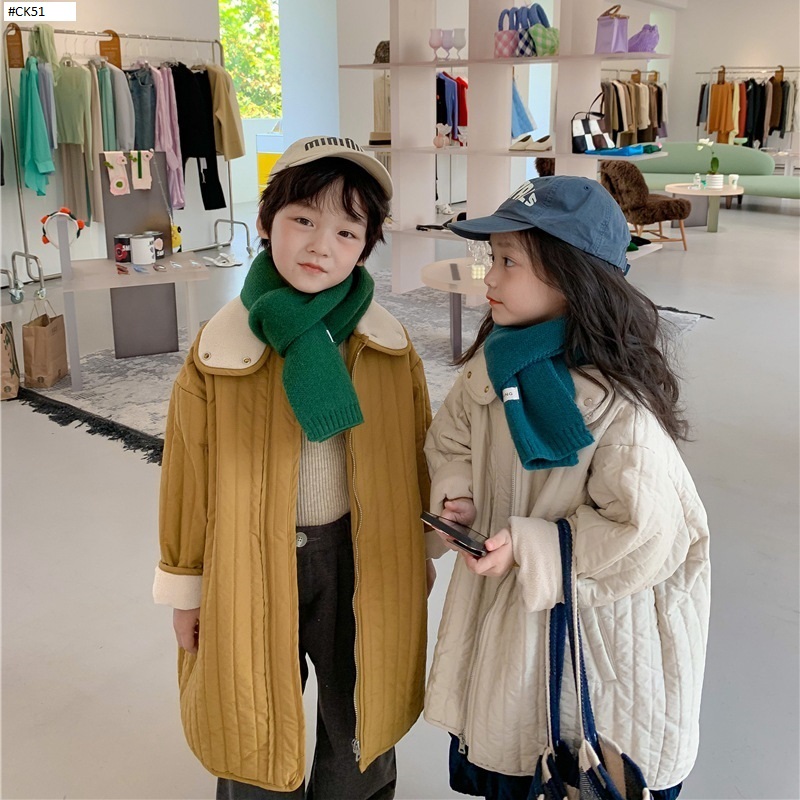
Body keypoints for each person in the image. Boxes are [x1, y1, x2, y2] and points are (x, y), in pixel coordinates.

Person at [154, 136, 435, 799]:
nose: (320, 245)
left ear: (365, 247)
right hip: (246, 557)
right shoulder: (219, 349)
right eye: (302, 219)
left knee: (360, 704)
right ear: (265, 222)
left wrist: (417, 552)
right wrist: (186, 589)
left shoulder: (387, 347)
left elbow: (413, 460)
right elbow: (187, 480)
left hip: (356, 555)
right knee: (248, 708)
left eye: (346, 231)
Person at [423, 176, 710, 800]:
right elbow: (451, 440)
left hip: (592, 644)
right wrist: (457, 491)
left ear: (571, 277)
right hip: (506, 626)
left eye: (509, 262)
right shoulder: (492, 365)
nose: (490, 277)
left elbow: (647, 531)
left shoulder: (619, 404)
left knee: (566, 764)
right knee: (509, 743)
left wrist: (535, 547)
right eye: (491, 258)